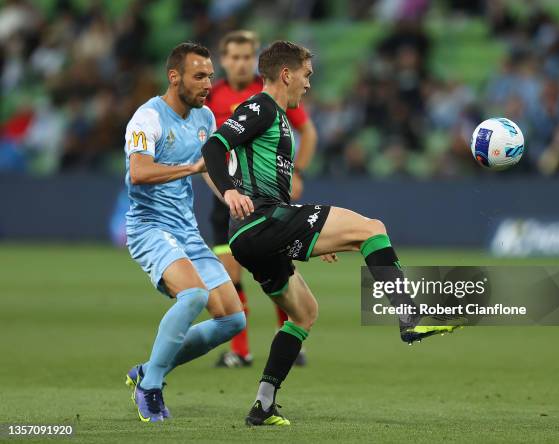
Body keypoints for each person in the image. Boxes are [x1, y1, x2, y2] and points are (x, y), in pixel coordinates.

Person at [202, 40, 459, 426]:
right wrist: (230, 191)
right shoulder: (260, 107)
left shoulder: (280, 117)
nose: (308, 84)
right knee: (372, 229)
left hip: (260, 234)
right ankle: (410, 315)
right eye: (306, 75)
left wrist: (309, 239)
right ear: (286, 74)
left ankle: (263, 405)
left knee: (304, 313)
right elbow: (213, 146)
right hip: (259, 221)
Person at [123, 42, 246, 423]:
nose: (208, 83)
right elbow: (140, 172)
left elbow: (206, 168)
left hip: (185, 230)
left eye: (210, 75)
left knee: (233, 319)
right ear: (174, 77)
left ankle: (150, 368)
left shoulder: (205, 117)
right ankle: (151, 387)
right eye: (199, 76)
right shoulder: (147, 119)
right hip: (149, 227)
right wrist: (191, 169)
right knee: (193, 295)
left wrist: (229, 195)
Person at [206, 30, 317, 368]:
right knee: (231, 277)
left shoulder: (268, 95)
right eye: (233, 57)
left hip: (265, 198)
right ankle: (240, 351)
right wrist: (224, 190)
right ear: (224, 61)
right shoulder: (211, 97)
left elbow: (307, 130)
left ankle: (288, 338)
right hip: (224, 199)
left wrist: (297, 173)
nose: (240, 63)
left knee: (278, 270)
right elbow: (209, 146)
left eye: (245, 57)